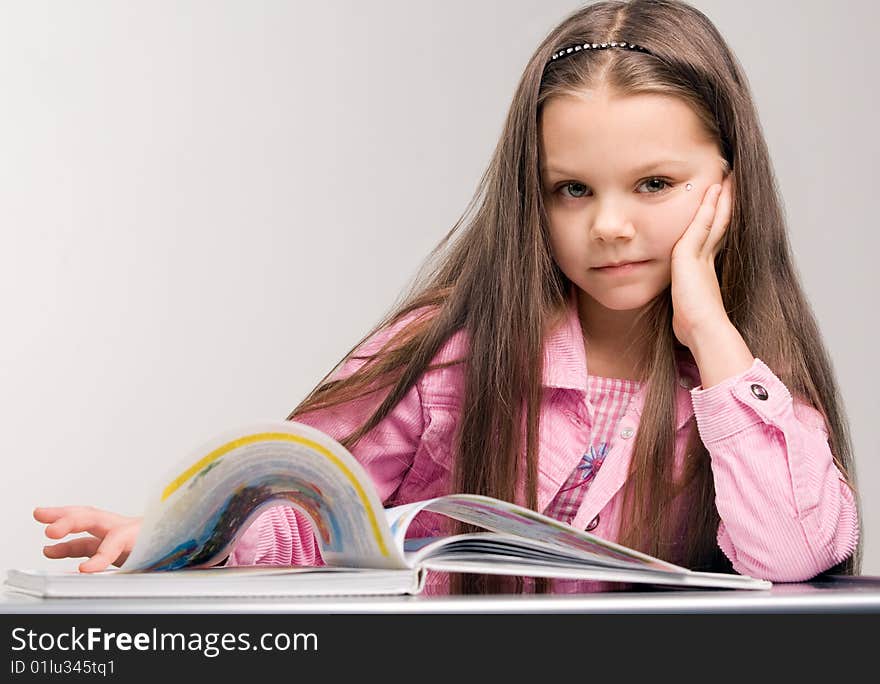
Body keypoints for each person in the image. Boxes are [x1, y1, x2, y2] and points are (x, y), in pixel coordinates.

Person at [34, 0, 860, 594]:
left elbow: (789, 552)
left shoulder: (745, 381)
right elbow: (309, 506)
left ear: (729, 183)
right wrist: (189, 536)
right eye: (571, 189)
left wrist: (710, 332)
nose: (609, 225)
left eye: (654, 183)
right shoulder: (445, 351)